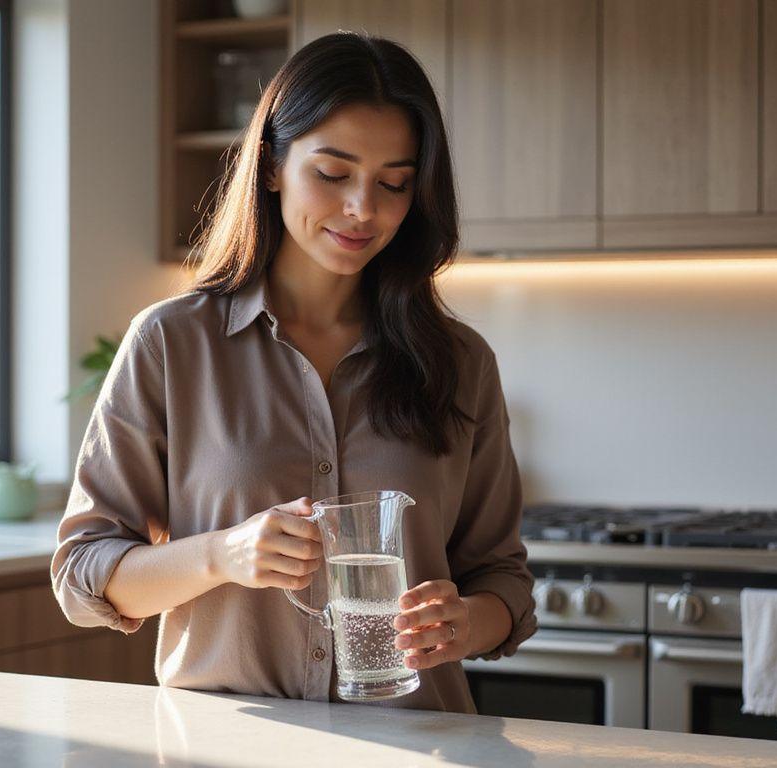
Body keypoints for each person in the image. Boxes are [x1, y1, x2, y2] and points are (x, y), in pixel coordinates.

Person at [51, 32, 535, 714]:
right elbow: (82, 577)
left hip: (416, 744)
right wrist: (221, 554)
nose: (363, 209)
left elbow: (503, 583)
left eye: (394, 183)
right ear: (273, 165)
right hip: (227, 750)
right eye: (332, 174)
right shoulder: (171, 344)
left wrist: (465, 623)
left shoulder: (460, 363)